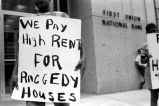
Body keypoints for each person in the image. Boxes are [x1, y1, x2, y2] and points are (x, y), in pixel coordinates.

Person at [10, 0, 86, 106]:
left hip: (59, 75)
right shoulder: (29, 22)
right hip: (34, 77)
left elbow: (77, 37)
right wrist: (14, 73)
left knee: (62, 104)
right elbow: (22, 49)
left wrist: (83, 57)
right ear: (35, 5)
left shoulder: (62, 16)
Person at [144, 23, 159, 106]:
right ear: (147, 33)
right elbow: (142, 61)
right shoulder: (145, 46)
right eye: (151, 31)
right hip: (151, 75)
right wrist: (147, 58)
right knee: (154, 96)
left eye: (155, 30)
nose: (154, 32)